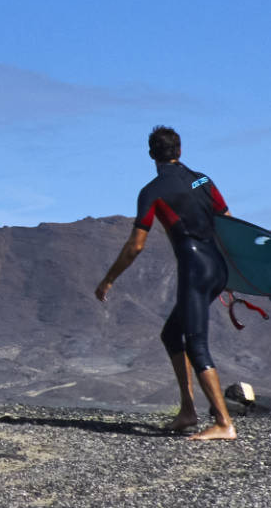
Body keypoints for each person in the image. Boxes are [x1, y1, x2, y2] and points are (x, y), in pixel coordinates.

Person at [94, 126, 239, 441]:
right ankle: (188, 411)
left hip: (194, 267)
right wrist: (235, 274)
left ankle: (224, 423)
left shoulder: (153, 191)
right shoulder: (203, 180)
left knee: (197, 344)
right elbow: (230, 223)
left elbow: (136, 246)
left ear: (151, 155)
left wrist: (109, 278)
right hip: (217, 267)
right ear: (181, 150)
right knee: (172, 333)